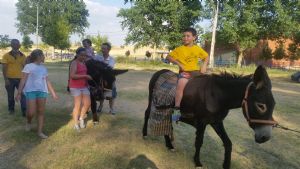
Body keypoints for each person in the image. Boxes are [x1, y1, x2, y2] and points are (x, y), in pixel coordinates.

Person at [166, 27, 208, 120]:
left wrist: (204, 65)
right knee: (181, 84)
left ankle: (205, 107)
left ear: (194, 37)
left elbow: (206, 56)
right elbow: (168, 57)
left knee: (208, 83)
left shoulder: (197, 49)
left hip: (196, 72)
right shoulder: (179, 49)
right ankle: (177, 108)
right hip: (185, 72)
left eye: (188, 36)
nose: (185, 38)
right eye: (184, 36)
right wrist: (179, 63)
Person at [16, 49, 58, 139]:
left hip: (42, 91)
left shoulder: (43, 68)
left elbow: (47, 81)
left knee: (41, 112)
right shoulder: (28, 66)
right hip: (31, 91)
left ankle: (40, 132)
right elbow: (23, 79)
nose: (44, 57)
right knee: (31, 112)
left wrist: (53, 93)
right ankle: (29, 121)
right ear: (39, 56)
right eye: (43, 55)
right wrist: (19, 93)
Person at [69, 47, 92, 131]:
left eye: (85, 55)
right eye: (81, 55)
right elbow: (72, 76)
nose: (83, 57)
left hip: (84, 86)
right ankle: (76, 124)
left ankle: (81, 118)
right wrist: (85, 76)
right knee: (77, 105)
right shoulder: (74, 63)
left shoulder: (84, 63)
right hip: (75, 86)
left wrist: (87, 81)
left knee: (87, 104)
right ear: (77, 54)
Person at [2, 39, 27, 116]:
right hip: (10, 79)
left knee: (23, 95)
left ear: (19, 46)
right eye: (14, 44)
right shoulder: (6, 56)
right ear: (11, 45)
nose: (16, 45)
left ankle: (24, 111)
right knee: (10, 95)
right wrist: (6, 79)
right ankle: (11, 109)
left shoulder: (23, 56)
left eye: (17, 44)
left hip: (20, 79)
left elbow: (25, 67)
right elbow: (4, 68)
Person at [94, 42, 117, 115]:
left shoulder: (112, 59)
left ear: (108, 50)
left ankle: (111, 109)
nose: (102, 49)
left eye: (104, 48)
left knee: (111, 95)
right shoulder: (97, 57)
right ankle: (100, 106)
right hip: (99, 79)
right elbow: (94, 65)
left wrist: (99, 66)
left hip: (109, 80)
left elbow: (108, 68)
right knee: (101, 94)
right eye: (102, 48)